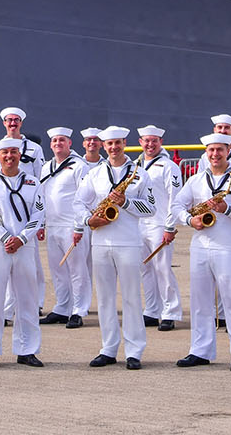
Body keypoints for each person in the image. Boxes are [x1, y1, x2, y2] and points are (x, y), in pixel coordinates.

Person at [173, 133, 231, 372]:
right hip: (200, 245)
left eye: (219, 149)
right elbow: (177, 205)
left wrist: (227, 208)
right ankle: (200, 351)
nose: (214, 154)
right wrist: (190, 220)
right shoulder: (196, 180)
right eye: (211, 150)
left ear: (228, 150)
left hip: (227, 246)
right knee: (200, 301)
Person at [77, 126, 159, 370]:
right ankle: (108, 348)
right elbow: (78, 202)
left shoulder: (139, 173)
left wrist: (127, 202)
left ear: (125, 144)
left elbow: (152, 209)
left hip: (129, 241)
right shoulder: (94, 174)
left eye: (118, 143)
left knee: (132, 298)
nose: (114, 148)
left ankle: (134, 351)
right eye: (109, 144)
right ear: (103, 146)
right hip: (101, 240)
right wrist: (87, 221)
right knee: (104, 299)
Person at [0, 138, 46, 369]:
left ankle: (27, 350)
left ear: (19, 155)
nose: (9, 156)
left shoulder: (33, 182)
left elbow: (39, 213)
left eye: (14, 152)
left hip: (25, 246)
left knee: (28, 300)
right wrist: (5, 237)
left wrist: (22, 238)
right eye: (5, 152)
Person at [39, 127, 90, 329]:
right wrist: (42, 224)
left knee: (77, 270)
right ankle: (62, 307)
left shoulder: (79, 166)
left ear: (70, 143)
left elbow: (85, 197)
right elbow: (42, 198)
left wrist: (79, 226)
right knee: (58, 269)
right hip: (53, 225)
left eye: (62, 140)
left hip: (72, 225)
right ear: (51, 145)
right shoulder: (46, 167)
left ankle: (79, 310)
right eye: (55, 141)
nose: (58, 143)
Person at [136, 125, 183, 331]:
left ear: (160, 142)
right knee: (145, 268)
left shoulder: (168, 166)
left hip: (159, 223)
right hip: (139, 224)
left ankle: (170, 312)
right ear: (140, 142)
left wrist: (170, 226)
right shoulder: (136, 164)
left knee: (163, 269)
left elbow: (175, 197)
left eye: (154, 140)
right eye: (146, 140)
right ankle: (152, 310)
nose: (150, 144)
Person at [0, 107, 45, 179]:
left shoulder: (35, 148)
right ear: (4, 123)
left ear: (21, 123)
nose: (13, 123)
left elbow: (40, 175)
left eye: (16, 120)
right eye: (9, 120)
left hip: (28, 188)